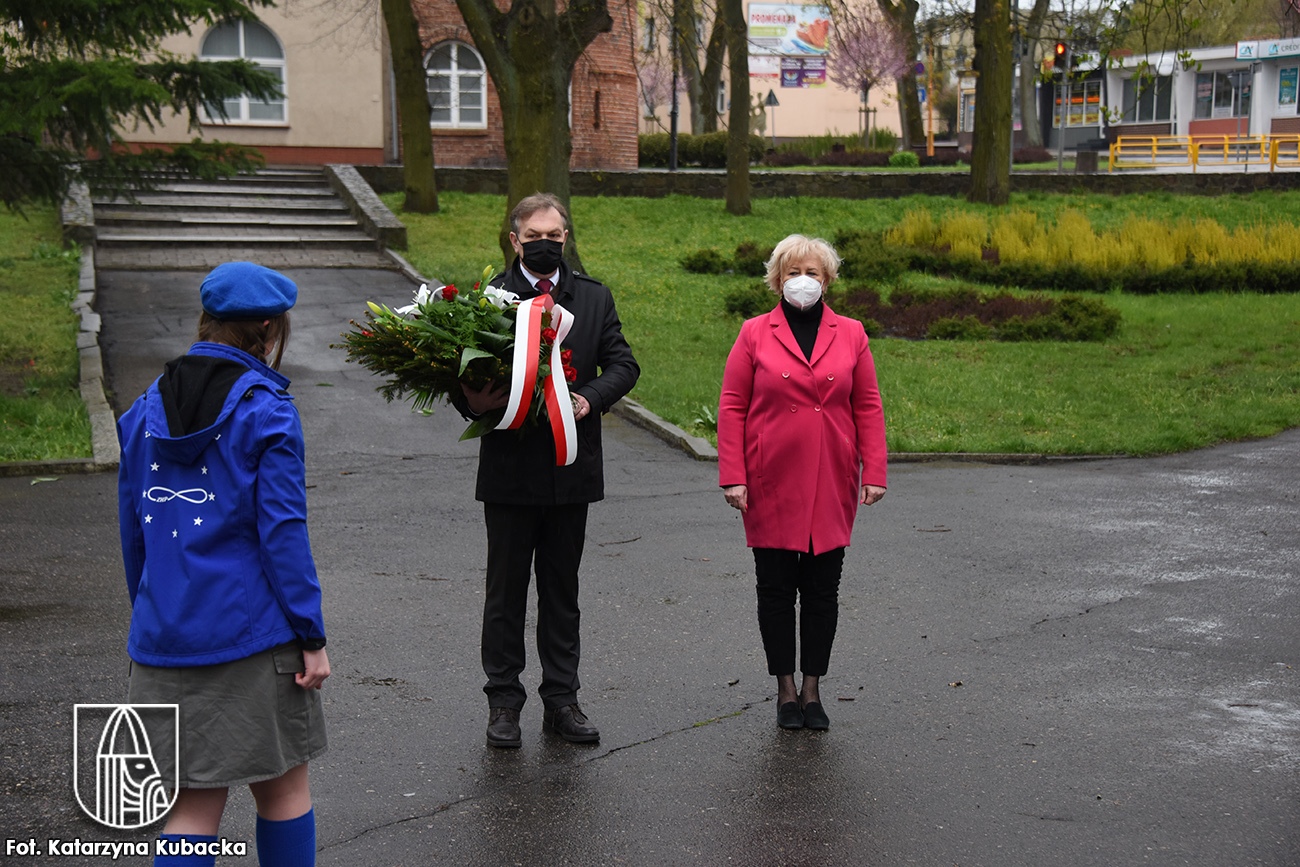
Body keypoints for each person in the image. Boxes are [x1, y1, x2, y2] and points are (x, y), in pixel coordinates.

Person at [117, 262, 330, 866]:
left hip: (164, 635)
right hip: (252, 635)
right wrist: (311, 635)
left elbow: (135, 533)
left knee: (190, 809)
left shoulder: (142, 410)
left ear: (206, 320)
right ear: (268, 326)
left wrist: (155, 615)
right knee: (284, 790)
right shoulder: (267, 411)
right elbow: (283, 537)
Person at [455, 193, 640, 749]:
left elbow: (623, 363)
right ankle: (503, 704)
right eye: (534, 236)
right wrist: (472, 401)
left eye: (554, 235)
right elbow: (458, 374)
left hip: (570, 470)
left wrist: (589, 398)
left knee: (562, 593)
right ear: (515, 241)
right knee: (505, 595)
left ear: (566, 238)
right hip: (509, 472)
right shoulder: (488, 300)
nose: (545, 244)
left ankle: (562, 700)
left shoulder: (593, 296)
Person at [717, 235, 887, 732]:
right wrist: (733, 476)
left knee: (821, 590)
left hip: (832, 475)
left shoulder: (852, 333)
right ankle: (785, 691)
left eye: (812, 272)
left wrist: (875, 471)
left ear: (827, 280)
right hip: (769, 476)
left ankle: (813, 690)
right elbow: (732, 405)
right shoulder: (753, 332)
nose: (802, 281)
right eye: (793, 273)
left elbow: (868, 404)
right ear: (777, 280)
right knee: (774, 589)